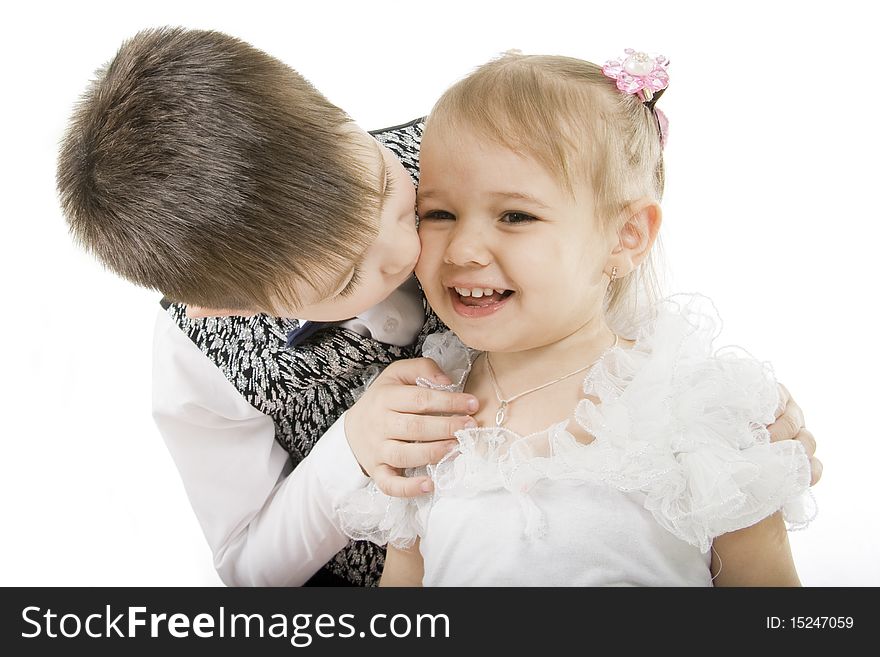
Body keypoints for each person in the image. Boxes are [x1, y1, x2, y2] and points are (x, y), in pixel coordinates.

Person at [57, 29, 819, 587]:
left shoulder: (463, 152)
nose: (409, 247)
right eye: (349, 270)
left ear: (338, 117)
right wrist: (353, 449)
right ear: (227, 306)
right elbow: (250, 573)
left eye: (391, 192)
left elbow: (606, 256)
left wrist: (728, 420)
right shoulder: (198, 356)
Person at [340, 50, 816, 586]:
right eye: (439, 213)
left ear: (625, 235)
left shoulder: (689, 407)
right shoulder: (426, 419)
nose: (465, 249)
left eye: (516, 216)